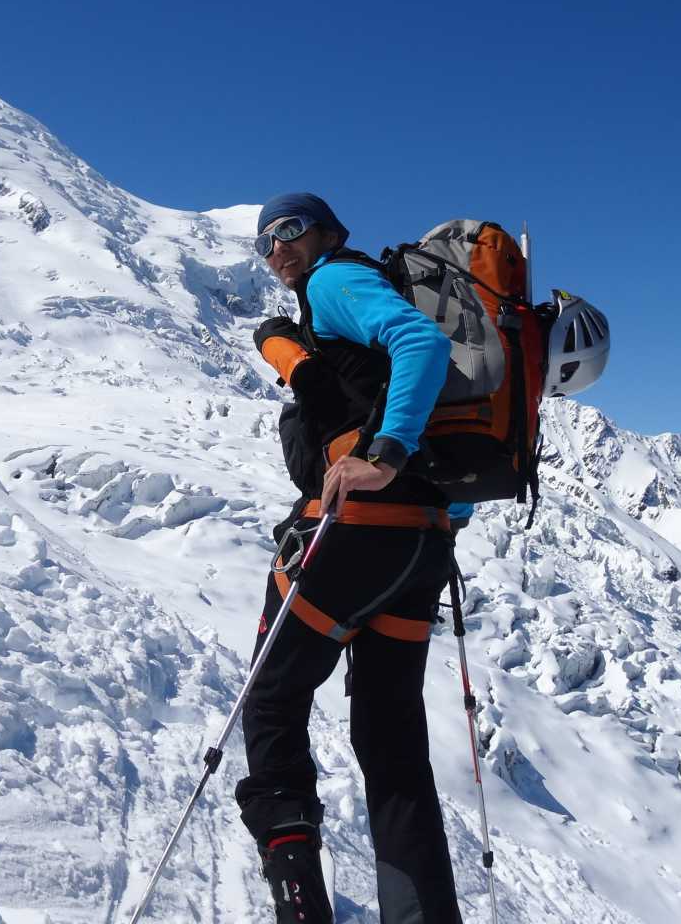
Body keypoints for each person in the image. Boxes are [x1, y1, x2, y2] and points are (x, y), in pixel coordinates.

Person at [237, 192, 464, 924]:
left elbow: (422, 344)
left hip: (356, 529)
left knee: (272, 698)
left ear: (330, 233)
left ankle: (300, 903)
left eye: (291, 230)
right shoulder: (333, 315)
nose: (278, 249)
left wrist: (383, 455)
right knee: (393, 748)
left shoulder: (334, 281)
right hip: (418, 547)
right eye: (265, 242)